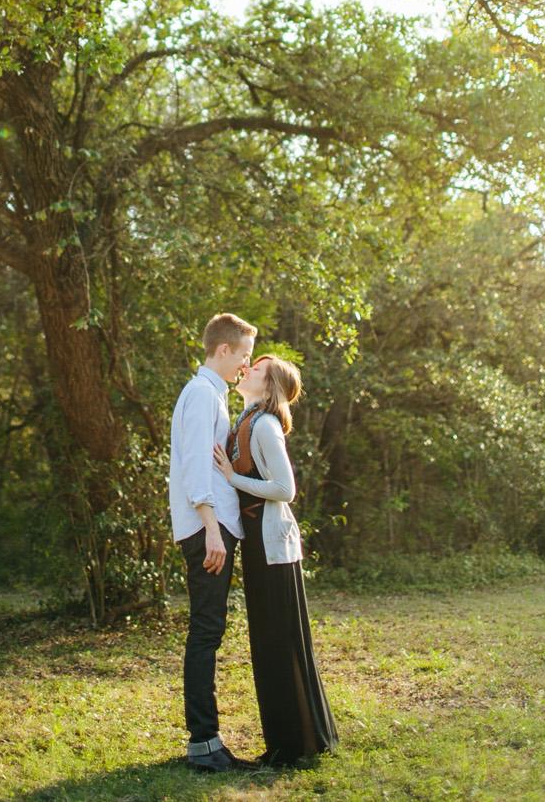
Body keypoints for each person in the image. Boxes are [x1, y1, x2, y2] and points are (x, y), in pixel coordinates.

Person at [213, 354, 338, 766]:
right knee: (270, 644)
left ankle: (293, 747)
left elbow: (285, 489)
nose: (247, 370)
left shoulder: (265, 425)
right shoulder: (246, 420)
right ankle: (299, 740)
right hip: (259, 544)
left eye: (258, 369)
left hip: (273, 547)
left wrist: (232, 478)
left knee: (278, 644)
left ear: (269, 388)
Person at [168, 311, 258, 773]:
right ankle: (203, 744)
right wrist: (210, 528)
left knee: (209, 631)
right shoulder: (202, 395)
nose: (245, 365)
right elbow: (192, 466)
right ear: (223, 350)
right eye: (243, 355)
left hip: (214, 527)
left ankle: (206, 740)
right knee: (205, 633)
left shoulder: (211, 394)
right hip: (209, 530)